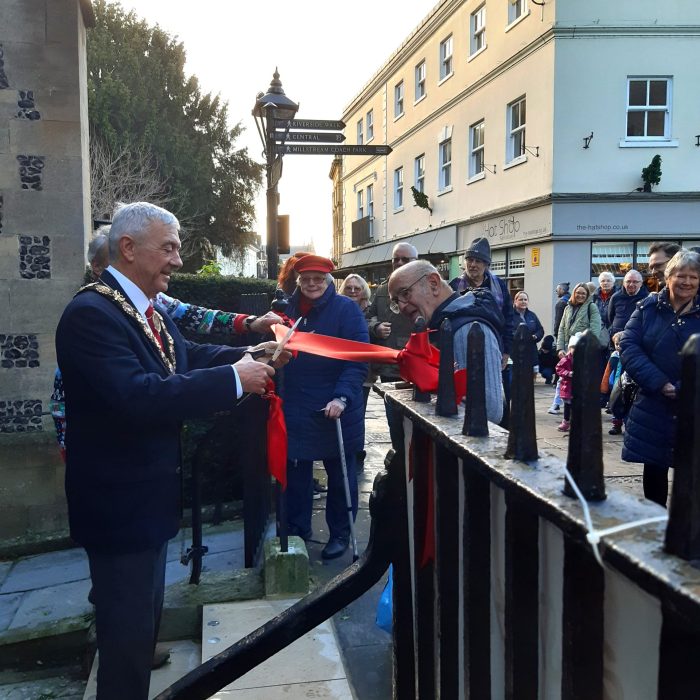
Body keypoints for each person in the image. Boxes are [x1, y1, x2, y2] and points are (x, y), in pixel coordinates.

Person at [55, 202, 287, 700]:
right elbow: (138, 395)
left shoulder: (143, 307)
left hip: (146, 506)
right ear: (128, 247)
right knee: (125, 647)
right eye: (169, 248)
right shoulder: (90, 314)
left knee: (140, 634)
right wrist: (234, 379)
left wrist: (250, 355)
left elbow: (185, 357)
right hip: (120, 512)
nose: (178, 261)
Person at [282, 255, 369, 560]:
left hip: (335, 407)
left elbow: (358, 358)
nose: (312, 284)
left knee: (341, 477)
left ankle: (340, 533)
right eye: (306, 279)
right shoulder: (287, 310)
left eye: (318, 279)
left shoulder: (346, 310)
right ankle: (297, 528)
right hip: (296, 404)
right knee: (296, 473)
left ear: (328, 281)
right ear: (299, 281)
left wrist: (342, 397)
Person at [620, 249, 700, 507]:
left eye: (693, 277)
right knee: (655, 468)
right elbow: (629, 346)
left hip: (693, 404)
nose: (687, 282)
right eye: (681, 276)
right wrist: (659, 382)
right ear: (668, 277)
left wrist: (685, 387)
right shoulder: (647, 308)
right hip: (654, 402)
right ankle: (655, 519)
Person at [389, 260, 505, 424]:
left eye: (405, 293)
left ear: (433, 284)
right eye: (396, 301)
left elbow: (489, 410)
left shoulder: (466, 329)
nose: (401, 306)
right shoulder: (440, 326)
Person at [367, 242, 418, 451]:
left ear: (416, 261)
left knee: (417, 423)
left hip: (417, 366)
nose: (399, 263)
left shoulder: (424, 288)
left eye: (405, 259)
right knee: (394, 422)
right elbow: (369, 317)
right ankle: (399, 460)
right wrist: (376, 327)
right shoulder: (382, 290)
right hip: (390, 365)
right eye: (396, 259)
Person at [339, 273, 374, 469]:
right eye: (349, 287)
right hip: (342, 367)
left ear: (363, 291)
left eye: (357, 288)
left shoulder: (369, 309)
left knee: (359, 410)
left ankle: (355, 450)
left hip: (364, 370)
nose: (352, 291)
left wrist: (375, 327)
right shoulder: (338, 308)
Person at [550, 283, 601, 413]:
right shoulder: (568, 308)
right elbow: (562, 329)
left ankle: (583, 409)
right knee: (563, 379)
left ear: (587, 295)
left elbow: (595, 329)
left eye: (583, 293)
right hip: (569, 349)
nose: (580, 295)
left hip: (584, 350)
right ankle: (558, 404)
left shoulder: (591, 307)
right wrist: (560, 348)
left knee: (582, 380)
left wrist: (587, 347)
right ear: (574, 293)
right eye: (578, 292)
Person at [608, 269, 649, 337]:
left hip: (638, 338)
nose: (631, 284)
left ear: (641, 283)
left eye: (635, 282)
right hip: (617, 338)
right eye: (628, 281)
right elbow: (610, 317)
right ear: (624, 283)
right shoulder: (615, 297)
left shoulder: (647, 298)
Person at [554, 333, 581, 432]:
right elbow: (558, 368)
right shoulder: (565, 359)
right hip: (568, 386)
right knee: (567, 406)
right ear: (570, 348)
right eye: (574, 348)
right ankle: (566, 421)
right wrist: (567, 373)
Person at [512, 290, 544, 372]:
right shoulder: (510, 315)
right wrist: (520, 336)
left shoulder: (532, 315)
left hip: (531, 351)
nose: (523, 302)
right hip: (515, 351)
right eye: (521, 299)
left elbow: (540, 330)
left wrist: (535, 336)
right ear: (515, 301)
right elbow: (507, 331)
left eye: (525, 300)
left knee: (532, 374)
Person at [600, 332, 625, 435]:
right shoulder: (614, 356)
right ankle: (616, 426)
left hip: (626, 385)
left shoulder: (629, 355)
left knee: (625, 407)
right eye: (616, 344)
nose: (618, 346)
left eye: (620, 344)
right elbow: (607, 371)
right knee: (615, 407)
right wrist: (604, 386)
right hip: (614, 385)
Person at [592, 271, 617, 344]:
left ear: (613, 283)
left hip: (614, 333)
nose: (605, 283)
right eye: (603, 281)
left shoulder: (618, 296)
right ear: (600, 283)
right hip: (598, 333)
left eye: (608, 281)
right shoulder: (594, 297)